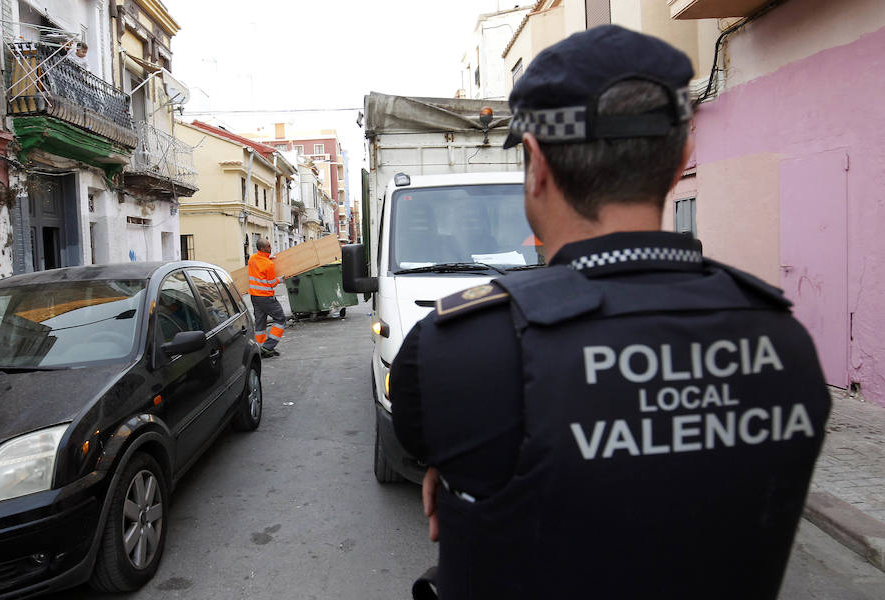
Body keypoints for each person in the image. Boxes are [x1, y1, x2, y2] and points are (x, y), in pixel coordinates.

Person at [391, 25, 831, 600]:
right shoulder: (785, 339)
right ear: (682, 158)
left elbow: (437, 444)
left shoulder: (458, 346)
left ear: (536, 161)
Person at [247, 238, 287, 358]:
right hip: (266, 297)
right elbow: (271, 283)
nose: (271, 248)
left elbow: (259, 263)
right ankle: (268, 347)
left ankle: (260, 348)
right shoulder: (269, 264)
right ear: (263, 248)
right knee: (280, 319)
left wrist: (268, 257)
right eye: (268, 246)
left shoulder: (252, 259)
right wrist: (280, 279)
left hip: (254, 297)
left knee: (260, 323)